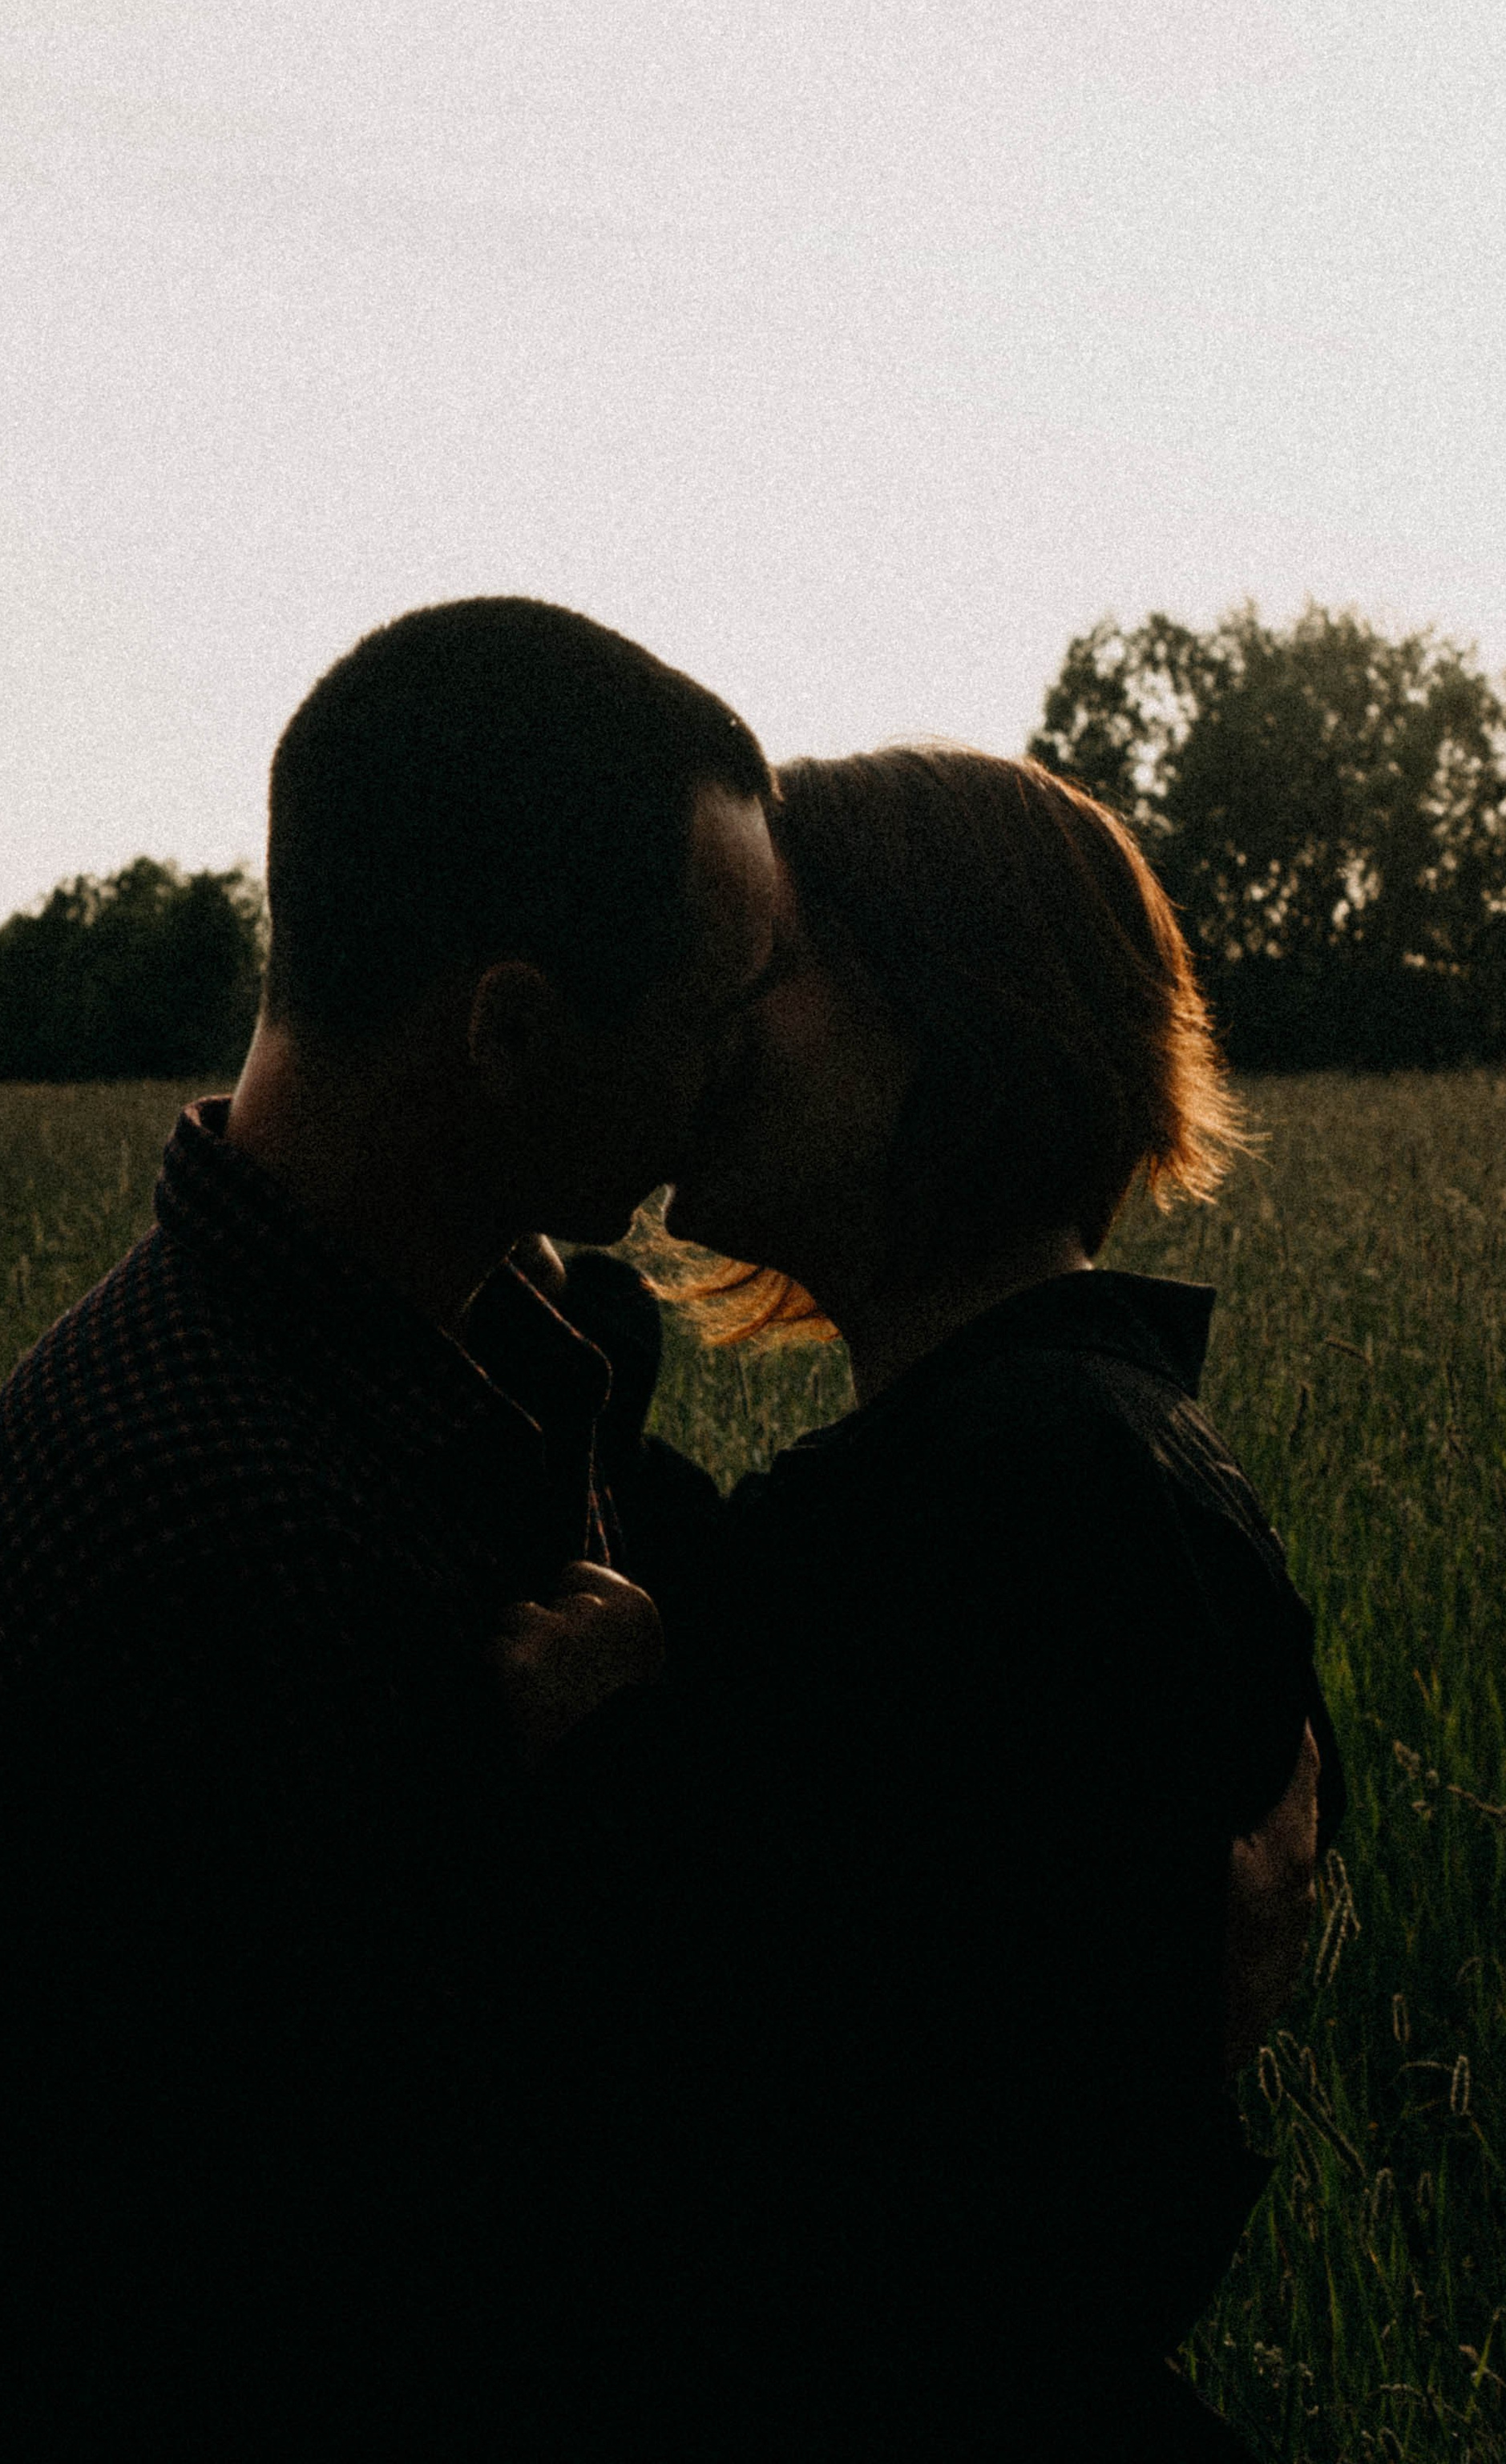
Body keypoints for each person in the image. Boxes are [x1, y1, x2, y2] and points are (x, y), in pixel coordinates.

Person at [0, 597, 780, 2461]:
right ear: (512, 1031)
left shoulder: (445, 1358)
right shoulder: (233, 1548)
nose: (734, 1087)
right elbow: (439, 2264)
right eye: (712, 1025)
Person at [556, 747, 1347, 2462]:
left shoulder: (1014, 1499)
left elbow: (901, 2166)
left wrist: (615, 1744)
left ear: (950, 1011)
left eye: (763, 966)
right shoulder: (1040, 1451)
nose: (704, 1014)